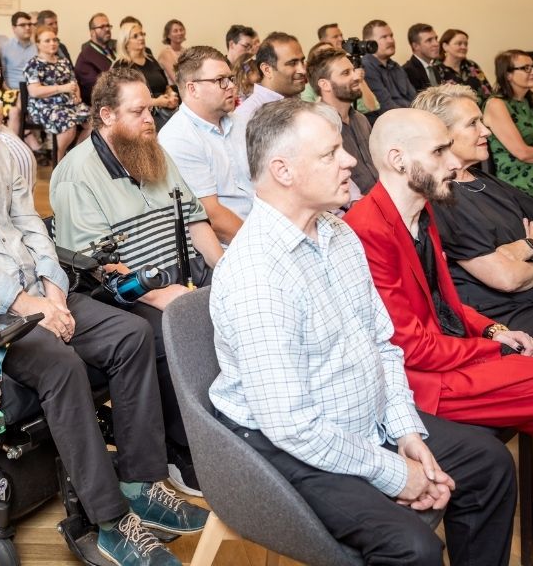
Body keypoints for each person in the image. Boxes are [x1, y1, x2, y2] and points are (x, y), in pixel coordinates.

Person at [0, 37, 209, 566]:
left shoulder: (6, 149)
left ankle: (140, 483)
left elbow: (31, 224)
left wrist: (54, 286)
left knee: (132, 335)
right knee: (61, 366)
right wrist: (23, 301)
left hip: (37, 290)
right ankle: (109, 519)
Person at [210, 97, 517, 566]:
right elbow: (292, 425)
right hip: (292, 446)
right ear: (284, 171)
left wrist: (407, 432)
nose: (350, 159)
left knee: (487, 466)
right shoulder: (257, 273)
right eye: (330, 153)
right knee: (412, 549)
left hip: (363, 418)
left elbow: (382, 344)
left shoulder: (338, 233)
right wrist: (398, 473)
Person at [50, 66, 223, 496]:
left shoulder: (153, 153)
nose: (151, 119)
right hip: (118, 295)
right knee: (169, 334)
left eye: (151, 109)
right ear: (106, 115)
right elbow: (98, 265)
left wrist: (226, 273)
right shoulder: (77, 175)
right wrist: (173, 299)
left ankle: (220, 431)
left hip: (176, 282)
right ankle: (178, 448)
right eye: (139, 111)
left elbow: (196, 223)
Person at [345, 108, 533, 440]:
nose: (454, 164)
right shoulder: (367, 227)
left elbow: (444, 306)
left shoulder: (422, 210)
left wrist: (494, 330)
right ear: (398, 160)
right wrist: (495, 348)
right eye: (439, 152)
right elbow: (411, 349)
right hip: (422, 382)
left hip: (448, 358)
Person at [413, 84, 533, 347]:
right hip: (505, 319)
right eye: (473, 124)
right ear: (441, 134)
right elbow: (506, 278)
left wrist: (524, 247)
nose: (486, 131)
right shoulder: (442, 197)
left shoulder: (485, 180)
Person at [159, 46, 253, 246]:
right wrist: (266, 243)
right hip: (233, 247)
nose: (231, 86)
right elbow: (213, 216)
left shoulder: (240, 122)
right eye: (221, 80)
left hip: (264, 227)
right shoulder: (178, 138)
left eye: (231, 78)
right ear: (193, 89)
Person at [308, 46, 378, 194]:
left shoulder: (360, 119)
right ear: (324, 84)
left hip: (381, 199)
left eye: (353, 70)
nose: (356, 77)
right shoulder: (317, 126)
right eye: (346, 73)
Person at [483, 49, 533, 200]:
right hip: (520, 173)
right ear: (508, 75)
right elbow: (522, 152)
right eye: (526, 68)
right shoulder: (496, 104)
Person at [24, 25, 91, 162]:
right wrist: (61, 88)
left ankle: (73, 157)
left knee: (95, 122)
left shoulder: (63, 62)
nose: (53, 43)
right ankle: (59, 164)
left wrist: (77, 95)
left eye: (55, 40)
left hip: (68, 104)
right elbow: (34, 91)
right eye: (47, 41)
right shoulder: (33, 64)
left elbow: (73, 82)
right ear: (38, 44)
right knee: (69, 127)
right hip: (44, 106)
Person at [112, 22, 178, 129]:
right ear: (126, 42)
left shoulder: (150, 60)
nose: (141, 38)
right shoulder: (121, 66)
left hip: (165, 111)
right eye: (136, 36)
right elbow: (125, 101)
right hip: (141, 117)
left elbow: (165, 85)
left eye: (142, 34)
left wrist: (171, 95)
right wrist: (157, 102)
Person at [234, 31, 306, 121]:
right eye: (292, 63)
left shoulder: (300, 104)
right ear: (267, 70)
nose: (303, 70)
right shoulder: (248, 115)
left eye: (302, 61)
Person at [361, 19, 416, 122]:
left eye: (391, 36)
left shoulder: (395, 66)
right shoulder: (366, 67)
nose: (391, 40)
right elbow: (386, 107)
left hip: (409, 119)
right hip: (391, 123)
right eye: (384, 37)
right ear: (369, 42)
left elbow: (414, 98)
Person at [438, 29, 493, 104]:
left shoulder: (472, 66)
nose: (463, 47)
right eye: (459, 43)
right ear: (445, 46)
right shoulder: (436, 69)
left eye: (466, 44)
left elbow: (488, 91)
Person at [75, 12, 116, 105]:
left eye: (108, 26)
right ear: (92, 32)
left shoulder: (115, 48)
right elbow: (95, 88)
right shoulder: (85, 57)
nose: (107, 29)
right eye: (102, 27)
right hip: (101, 103)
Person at [0, 11, 37, 91]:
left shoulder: (38, 47)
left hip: (35, 92)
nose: (27, 28)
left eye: (29, 24)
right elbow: (1, 76)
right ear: (14, 28)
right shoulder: (5, 47)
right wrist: (11, 93)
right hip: (12, 92)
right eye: (23, 25)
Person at [403, 23, 442, 92]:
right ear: (415, 46)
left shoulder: (434, 68)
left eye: (436, 39)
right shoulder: (407, 71)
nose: (436, 44)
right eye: (429, 40)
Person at [157, 19, 186, 85]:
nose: (179, 33)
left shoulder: (186, 51)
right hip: (174, 89)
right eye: (175, 31)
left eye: (181, 30)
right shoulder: (165, 53)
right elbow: (176, 79)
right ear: (168, 35)